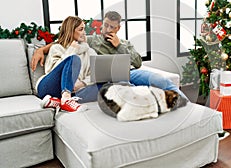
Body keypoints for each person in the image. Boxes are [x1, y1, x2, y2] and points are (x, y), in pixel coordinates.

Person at [31, 11, 189, 106]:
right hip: (106, 77)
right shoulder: (92, 41)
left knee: (160, 81)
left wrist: (119, 46)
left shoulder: (125, 43)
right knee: (122, 87)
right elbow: (66, 41)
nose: (107, 29)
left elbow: (137, 62)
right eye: (105, 25)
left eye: (111, 27)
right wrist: (41, 49)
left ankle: (184, 104)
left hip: (129, 72)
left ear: (118, 28)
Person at [36, 16, 97, 112]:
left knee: (106, 86)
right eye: (81, 29)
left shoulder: (89, 51)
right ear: (71, 31)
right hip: (49, 87)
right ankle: (66, 98)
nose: (84, 33)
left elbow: (97, 74)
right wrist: (72, 49)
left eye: (84, 29)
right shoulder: (56, 48)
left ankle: (58, 102)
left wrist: (81, 83)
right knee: (74, 59)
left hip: (76, 90)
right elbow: (52, 71)